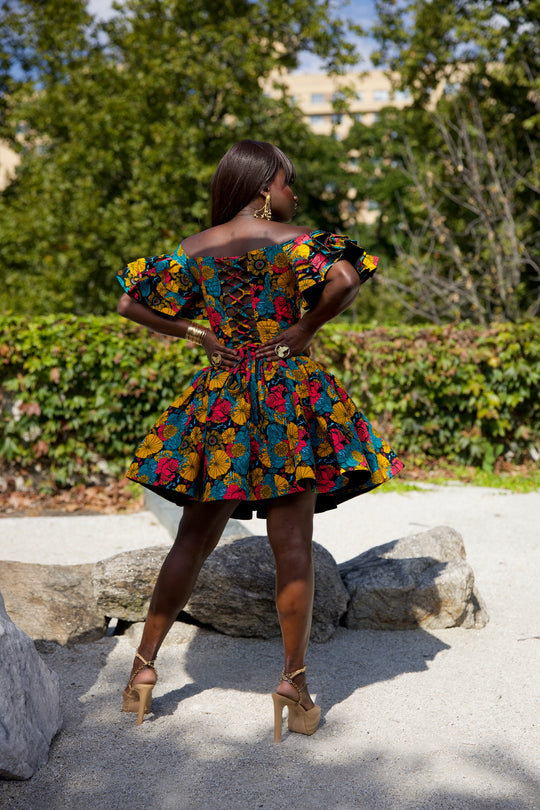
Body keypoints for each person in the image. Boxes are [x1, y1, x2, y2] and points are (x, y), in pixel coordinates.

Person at [116, 139, 403, 740]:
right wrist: (304, 326)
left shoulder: (195, 249)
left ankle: (141, 672)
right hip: (284, 400)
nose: (292, 193)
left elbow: (127, 301)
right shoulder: (296, 241)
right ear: (265, 185)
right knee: (292, 547)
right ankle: (293, 684)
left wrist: (194, 331)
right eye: (287, 181)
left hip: (222, 401)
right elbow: (347, 276)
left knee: (191, 543)